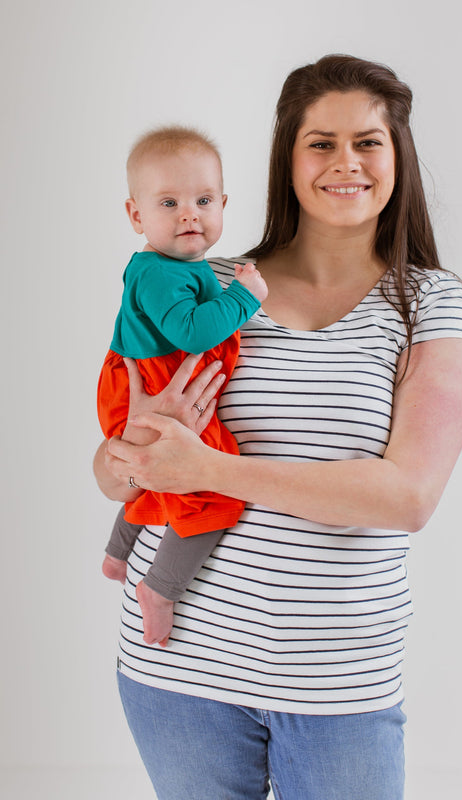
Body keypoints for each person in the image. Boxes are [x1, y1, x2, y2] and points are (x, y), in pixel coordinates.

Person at [94, 55, 462, 800]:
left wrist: (204, 470)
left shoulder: (430, 304)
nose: (346, 162)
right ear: (287, 157)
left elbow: (406, 496)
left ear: (395, 155)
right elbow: (112, 467)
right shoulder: (206, 279)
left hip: (338, 686)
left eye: (367, 141)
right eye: (321, 142)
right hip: (177, 668)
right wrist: (130, 451)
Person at [97, 125, 268, 647]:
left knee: (159, 470)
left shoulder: (174, 266)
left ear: (223, 203)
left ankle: (119, 550)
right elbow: (190, 331)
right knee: (212, 493)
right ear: (136, 216)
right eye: (169, 202)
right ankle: (161, 588)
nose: (189, 213)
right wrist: (245, 297)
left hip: (154, 380)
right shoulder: (161, 273)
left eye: (203, 199)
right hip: (154, 384)